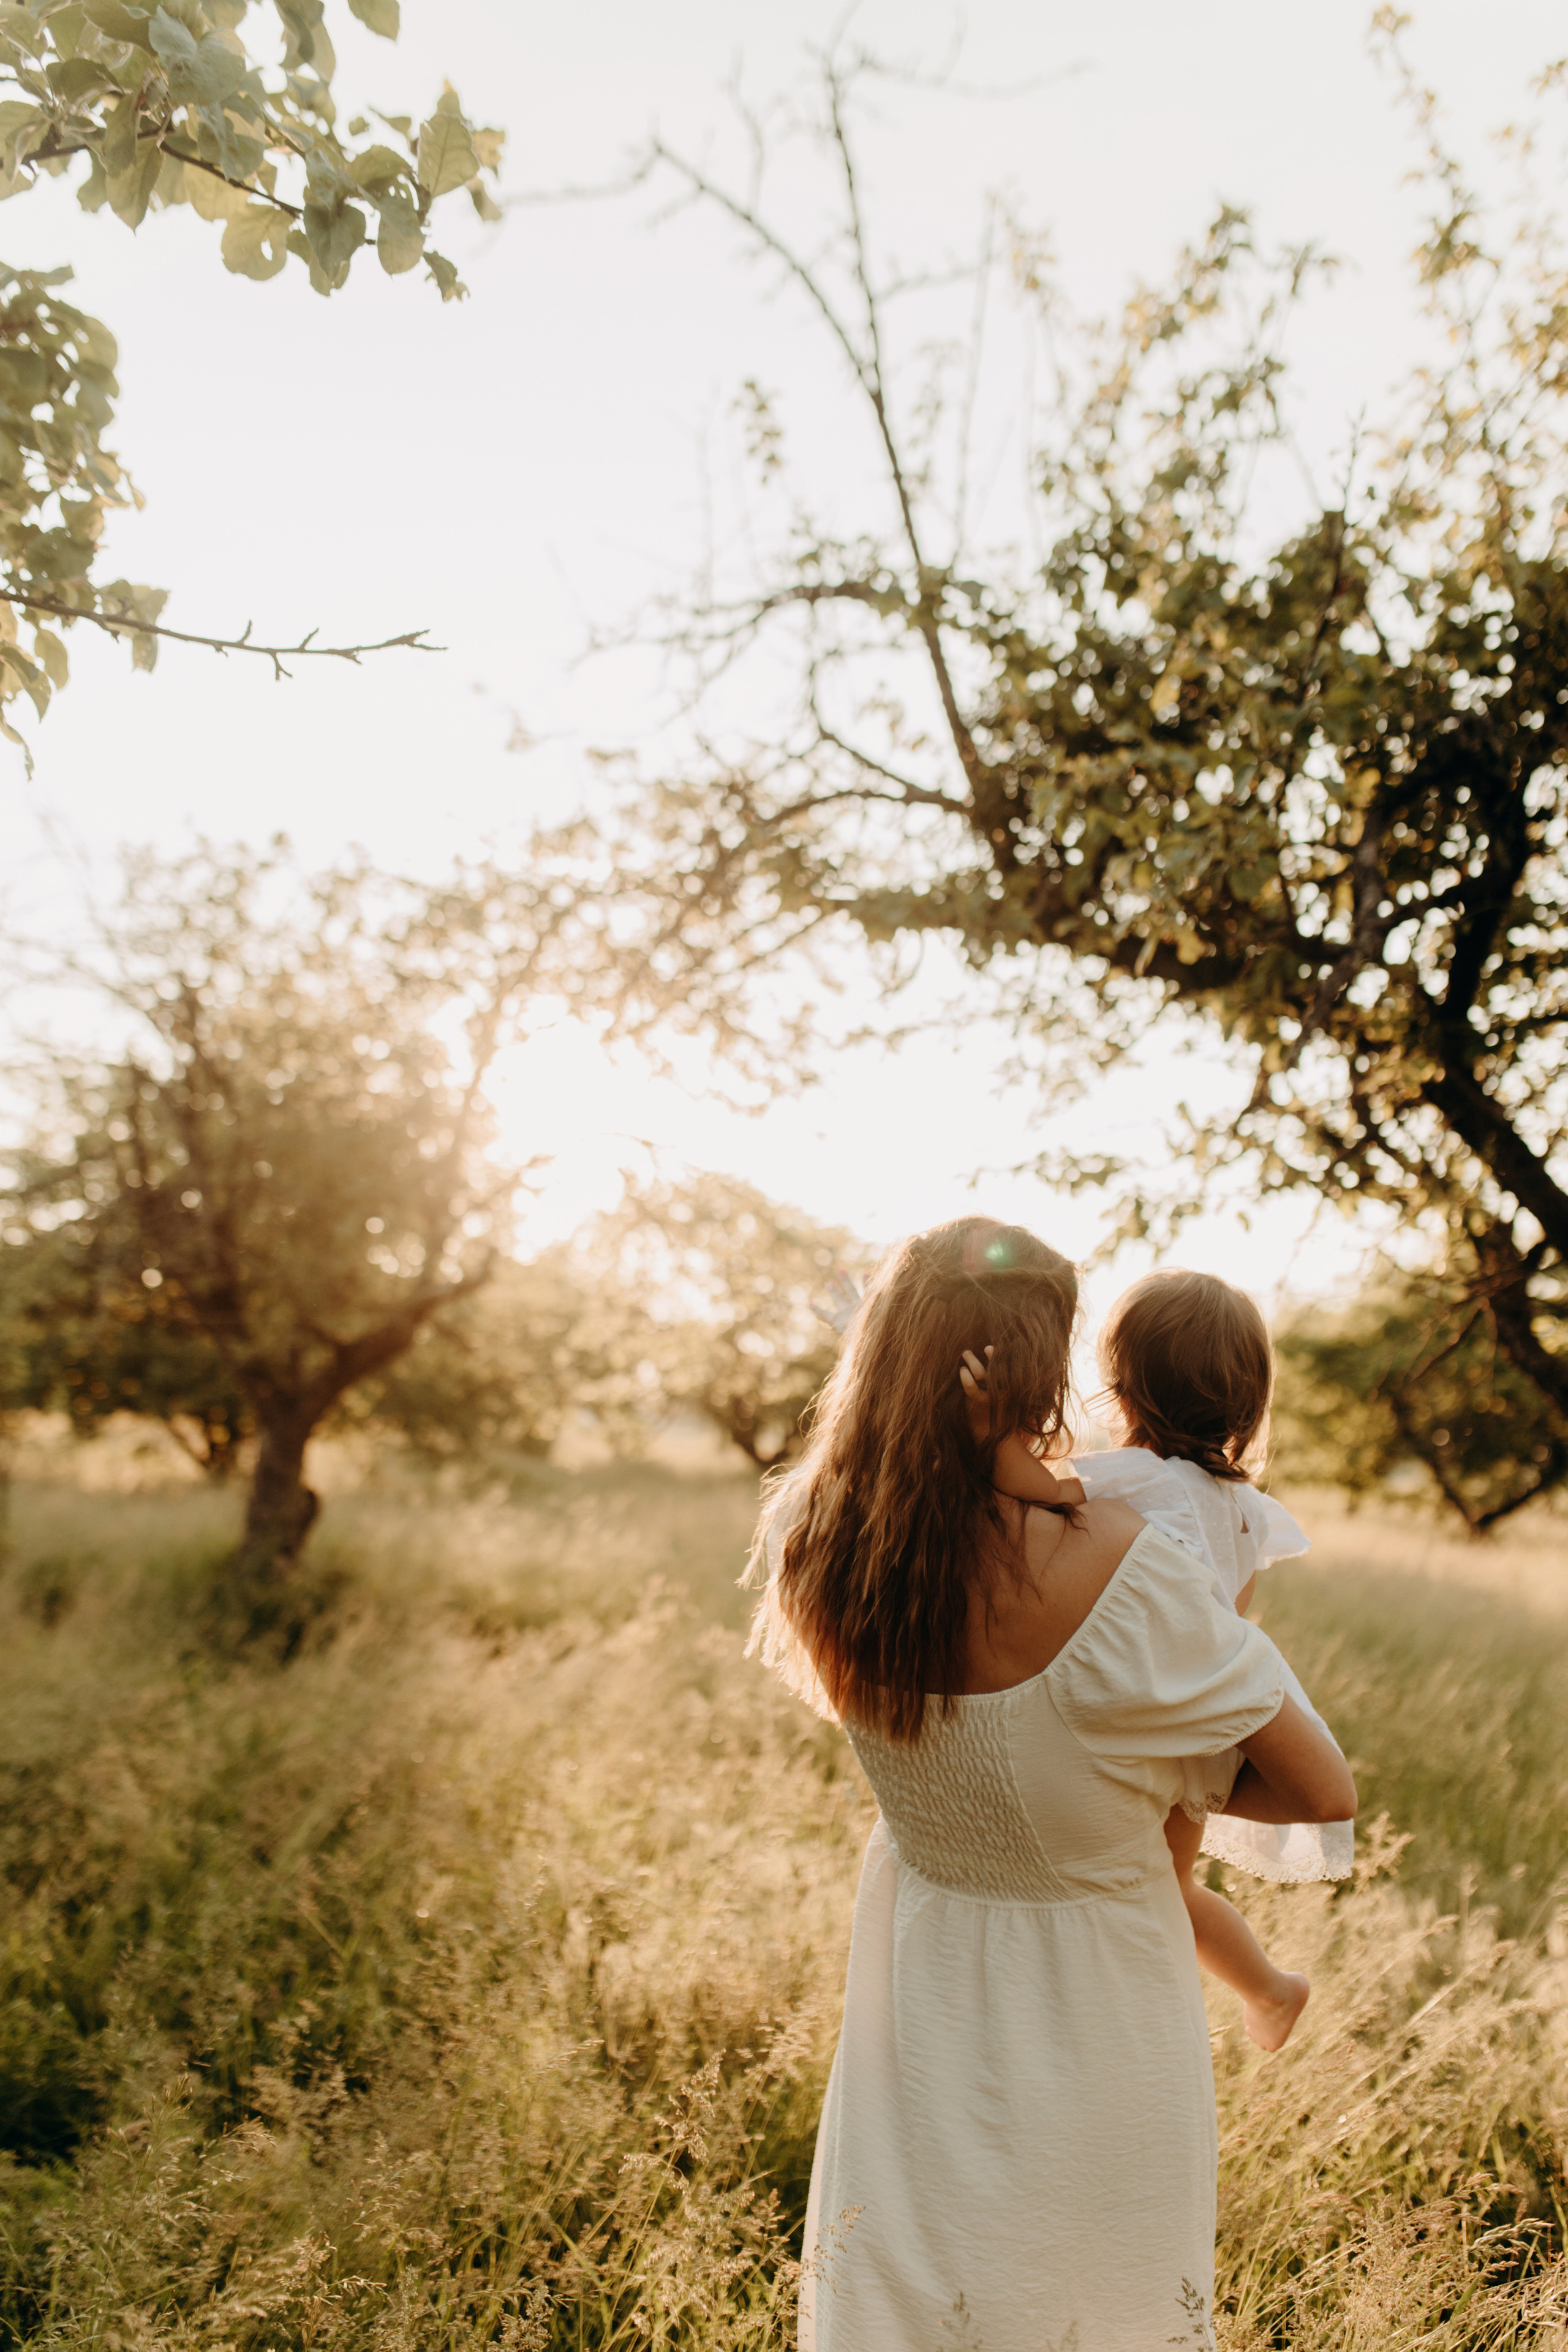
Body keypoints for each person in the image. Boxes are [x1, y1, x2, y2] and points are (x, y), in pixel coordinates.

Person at [755, 1216, 1355, 2352]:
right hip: (1097, 1978)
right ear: (1038, 1371)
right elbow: (1322, 1791)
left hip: (919, 1964)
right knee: (1094, 2298)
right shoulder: (1127, 1562)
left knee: (915, 2290)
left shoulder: (813, 1532)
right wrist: (1153, 1773)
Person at [961, 1265, 1352, 2056]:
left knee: (1138, 1886)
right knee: (1168, 1885)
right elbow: (1231, 1617)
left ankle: (1263, 1992)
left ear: (1121, 1387)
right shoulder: (1243, 1507)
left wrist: (987, 1426)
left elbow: (1027, 1485)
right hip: (1204, 1718)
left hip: (1142, 1709)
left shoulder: (1134, 1483)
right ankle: (1268, 1990)